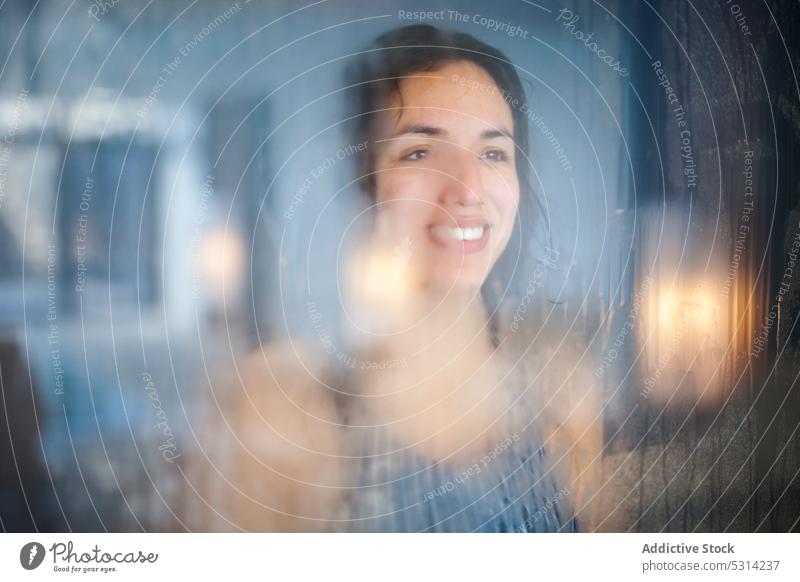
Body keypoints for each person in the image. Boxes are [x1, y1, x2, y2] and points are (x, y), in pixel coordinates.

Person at [199, 24, 602, 533]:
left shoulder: (559, 387)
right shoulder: (285, 406)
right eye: (419, 151)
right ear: (364, 184)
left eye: (493, 152)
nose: (467, 190)